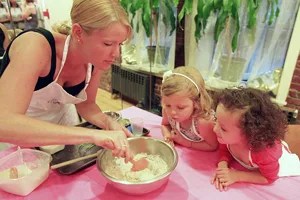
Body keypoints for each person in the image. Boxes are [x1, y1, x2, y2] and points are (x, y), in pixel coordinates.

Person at [0, 0, 133, 161]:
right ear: (78, 32)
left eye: (120, 44)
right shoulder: (35, 46)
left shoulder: (94, 61)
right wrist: (92, 134)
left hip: (64, 125)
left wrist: (108, 122)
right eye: (108, 43)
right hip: (22, 133)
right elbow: (4, 123)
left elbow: (87, 104)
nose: (116, 54)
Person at [211, 87, 300, 191]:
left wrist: (237, 176)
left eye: (223, 128)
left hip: (279, 169)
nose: (214, 129)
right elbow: (225, 149)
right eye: (216, 119)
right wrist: (223, 164)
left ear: (249, 132)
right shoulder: (226, 137)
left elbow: (269, 178)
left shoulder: (265, 154)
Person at [160, 66, 218, 151]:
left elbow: (212, 146)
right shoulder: (167, 110)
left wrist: (185, 142)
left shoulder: (204, 122)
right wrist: (167, 135)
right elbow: (164, 125)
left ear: (196, 102)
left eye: (180, 107)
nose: (172, 112)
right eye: (168, 105)